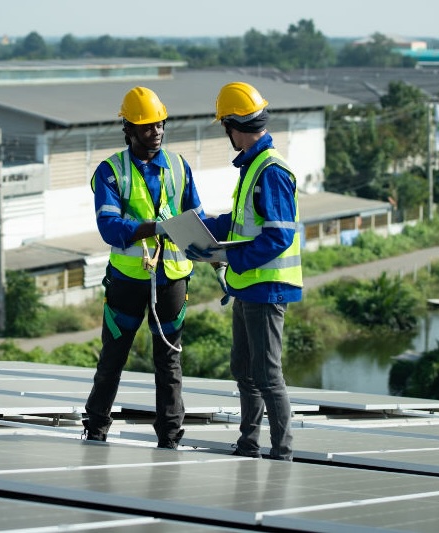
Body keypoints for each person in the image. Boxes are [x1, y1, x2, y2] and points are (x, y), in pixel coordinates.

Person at [82, 86, 206, 449]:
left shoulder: (180, 167)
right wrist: (154, 228)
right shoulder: (110, 171)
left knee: (168, 363)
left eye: (160, 124)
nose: (157, 132)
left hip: (172, 283)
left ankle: (170, 437)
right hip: (127, 283)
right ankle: (95, 429)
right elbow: (109, 228)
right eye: (148, 127)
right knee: (112, 359)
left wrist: (215, 257)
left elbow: (195, 219)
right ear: (130, 129)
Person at [185, 82, 302, 461]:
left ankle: (281, 452)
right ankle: (248, 443)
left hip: (267, 289)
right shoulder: (253, 167)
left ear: (234, 125)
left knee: (267, 375)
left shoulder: (271, 170)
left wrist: (232, 258)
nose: (227, 135)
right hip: (248, 288)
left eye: (226, 127)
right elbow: (240, 225)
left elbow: (279, 236)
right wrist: (196, 229)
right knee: (244, 371)